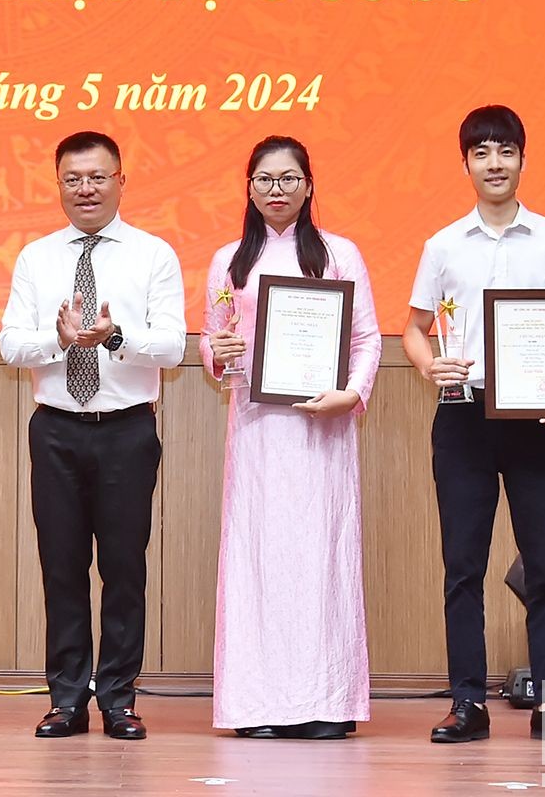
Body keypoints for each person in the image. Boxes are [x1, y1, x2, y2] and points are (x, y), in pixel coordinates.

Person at [399, 105, 545, 746]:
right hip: (462, 417)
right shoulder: (442, 245)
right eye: (482, 153)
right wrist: (431, 365)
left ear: (522, 158)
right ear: (466, 163)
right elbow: (413, 329)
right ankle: (467, 705)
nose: (495, 164)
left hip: (537, 419)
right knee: (463, 566)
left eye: (506, 151)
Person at [0, 131, 184, 742]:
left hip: (128, 432)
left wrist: (110, 338)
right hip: (55, 431)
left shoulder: (153, 254)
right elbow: (11, 344)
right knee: (62, 569)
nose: (86, 188)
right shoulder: (37, 257)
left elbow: (173, 346)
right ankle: (67, 699)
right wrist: (62, 340)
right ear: (58, 184)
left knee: (125, 570)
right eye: (73, 178)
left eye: (98, 177)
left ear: (121, 181)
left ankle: (121, 699)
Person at [200, 136, 380, 740]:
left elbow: (366, 340)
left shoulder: (338, 254)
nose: (276, 190)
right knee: (259, 560)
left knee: (321, 556)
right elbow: (212, 339)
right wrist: (216, 353)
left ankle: (327, 702)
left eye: (288, 178)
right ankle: (260, 706)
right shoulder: (231, 260)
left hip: (321, 432)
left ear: (308, 185)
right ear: (249, 188)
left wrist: (351, 394)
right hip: (257, 431)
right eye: (264, 179)